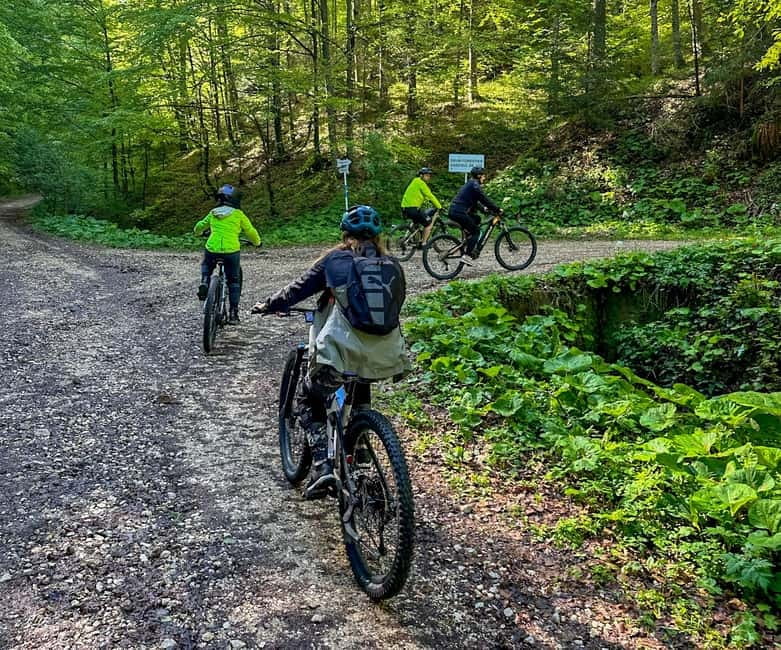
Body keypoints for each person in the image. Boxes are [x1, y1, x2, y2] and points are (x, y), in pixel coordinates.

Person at [252, 205, 408, 499]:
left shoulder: (335, 260)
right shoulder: (393, 265)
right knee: (361, 381)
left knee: (307, 398)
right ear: (378, 237)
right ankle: (360, 452)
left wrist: (269, 304)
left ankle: (322, 465)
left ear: (345, 235)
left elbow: (296, 290)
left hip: (340, 353)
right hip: (386, 356)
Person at [193, 184, 261, 324]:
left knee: (206, 264)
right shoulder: (238, 215)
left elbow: (200, 226)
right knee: (234, 281)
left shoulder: (213, 213)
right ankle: (233, 313)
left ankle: (205, 282)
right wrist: (257, 243)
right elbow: (251, 231)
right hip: (231, 251)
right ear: (236, 199)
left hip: (212, 248)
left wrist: (198, 233)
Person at [448, 166, 503, 259]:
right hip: (459, 213)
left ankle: (469, 241)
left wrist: (485, 210)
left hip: (456, 211)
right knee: (476, 232)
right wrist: (497, 209)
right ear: (478, 176)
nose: (484, 178)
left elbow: (475, 202)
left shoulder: (470, 184)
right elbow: (484, 199)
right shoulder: (475, 186)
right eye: (483, 176)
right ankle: (467, 255)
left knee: (477, 219)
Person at [400, 167, 443, 245]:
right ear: (421, 175)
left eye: (429, 175)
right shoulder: (421, 183)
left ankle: (414, 239)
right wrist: (439, 206)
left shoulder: (415, 181)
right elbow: (430, 196)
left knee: (417, 222)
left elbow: (418, 196)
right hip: (413, 209)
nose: (429, 177)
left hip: (405, 208)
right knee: (428, 224)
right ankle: (424, 243)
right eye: (427, 175)